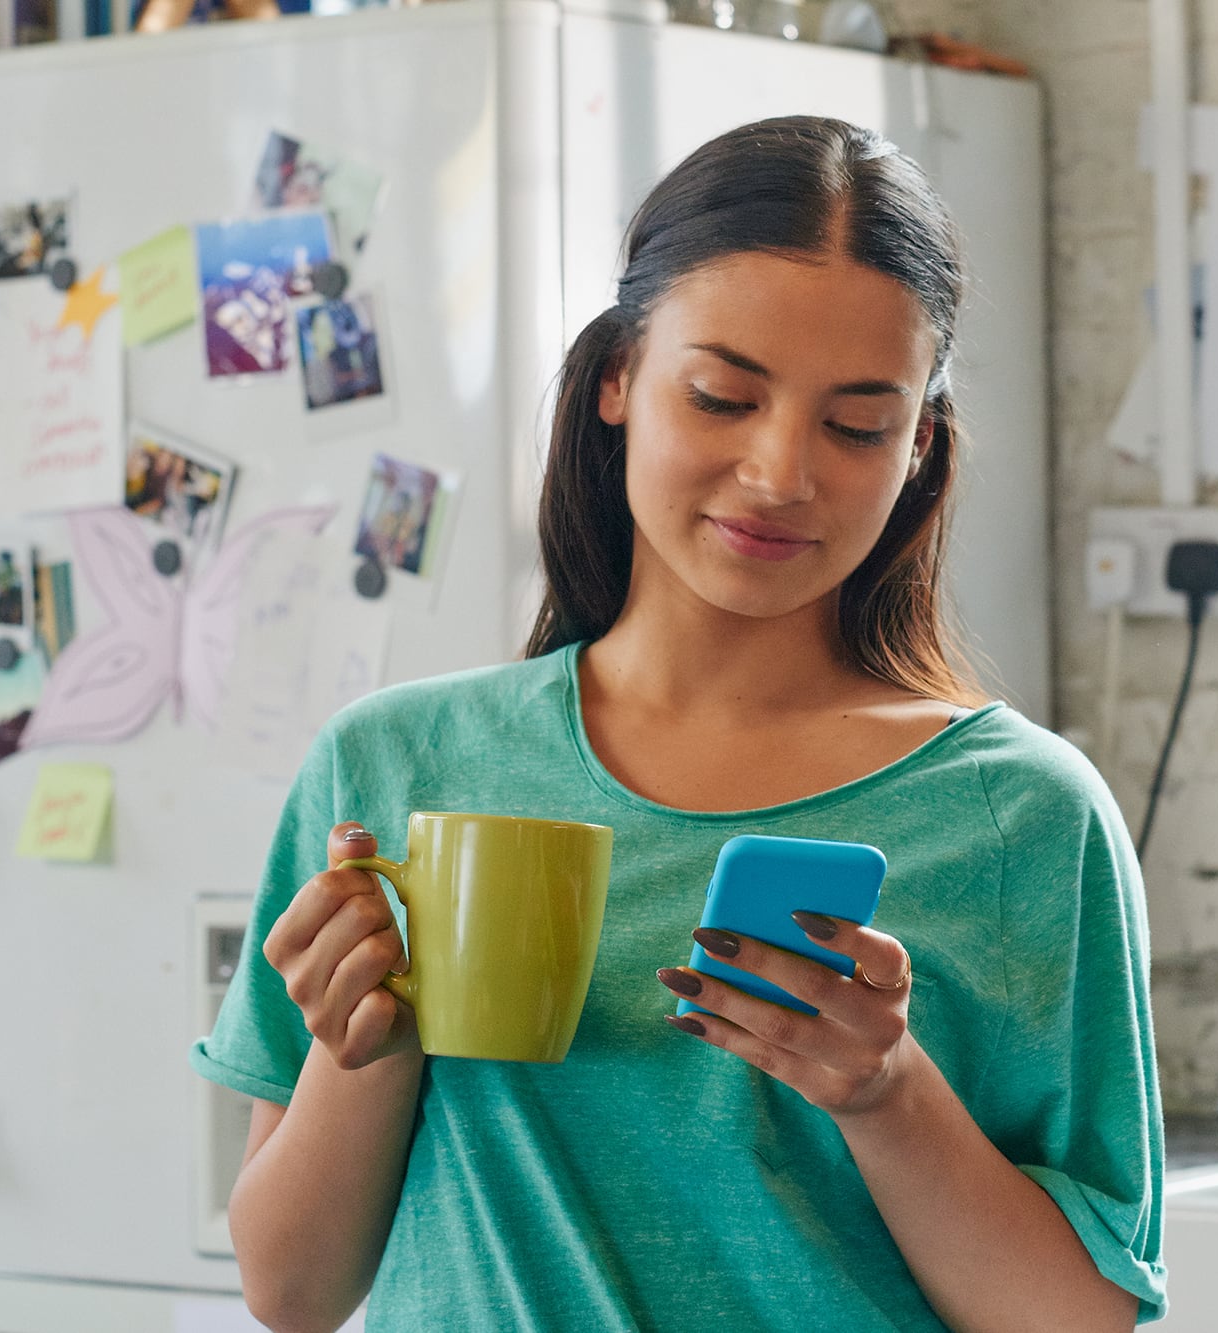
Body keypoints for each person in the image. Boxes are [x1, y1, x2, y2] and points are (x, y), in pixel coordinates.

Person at [191, 115, 1165, 1332]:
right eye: (721, 396)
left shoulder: (1022, 814)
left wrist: (883, 1092)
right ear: (617, 380)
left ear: (917, 446)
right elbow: (291, 1291)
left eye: (855, 424)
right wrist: (363, 1049)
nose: (777, 473)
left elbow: (1075, 1320)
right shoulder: (394, 765)